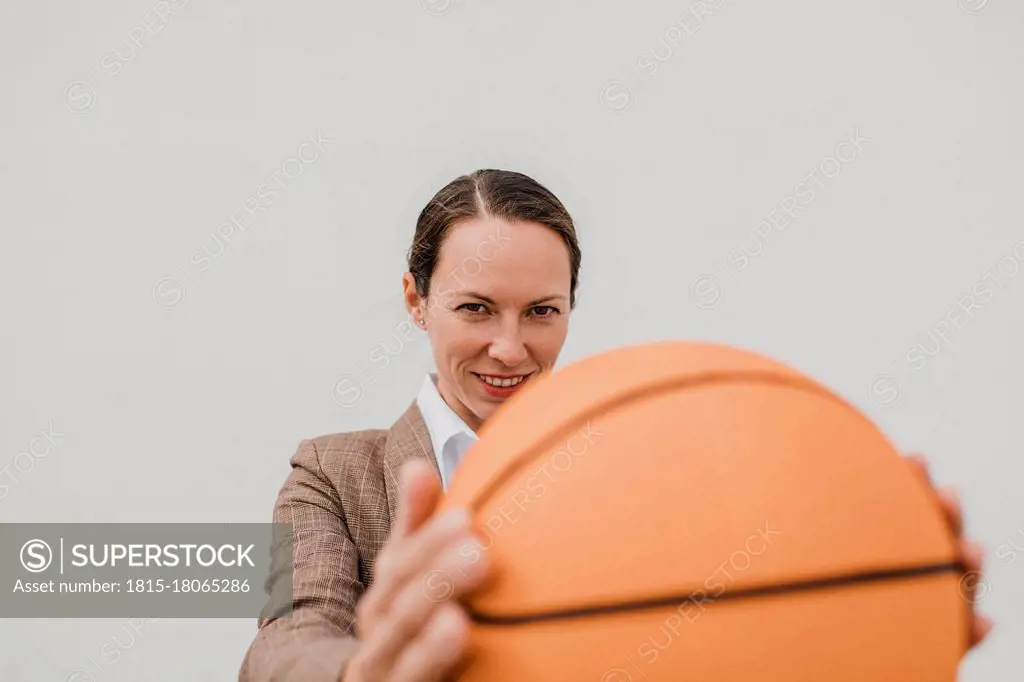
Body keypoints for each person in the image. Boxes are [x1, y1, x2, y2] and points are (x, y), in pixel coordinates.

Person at [238, 169, 993, 682]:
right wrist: (363, 669)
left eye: (542, 311)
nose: (510, 346)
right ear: (415, 299)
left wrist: (885, 617)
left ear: (571, 304)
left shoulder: (653, 460)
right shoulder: (325, 472)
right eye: (475, 309)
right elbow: (279, 645)